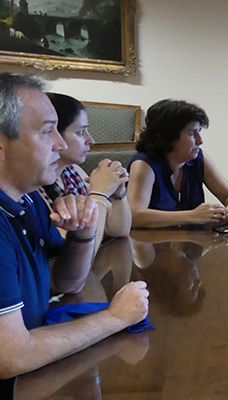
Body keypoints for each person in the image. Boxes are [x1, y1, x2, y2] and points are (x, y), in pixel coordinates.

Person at [0, 73, 149, 390]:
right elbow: (11, 356)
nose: (61, 143)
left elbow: (68, 281)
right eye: (46, 132)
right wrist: (115, 317)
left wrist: (81, 232)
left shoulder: (28, 200)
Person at [37, 93, 131, 252]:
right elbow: (84, 250)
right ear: (53, 134)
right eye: (81, 132)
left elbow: (119, 230)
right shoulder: (35, 184)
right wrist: (99, 193)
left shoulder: (73, 172)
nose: (91, 141)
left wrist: (118, 193)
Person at [127, 99, 228, 228]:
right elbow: (134, 216)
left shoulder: (198, 158)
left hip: (189, 243)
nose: (200, 140)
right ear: (169, 137)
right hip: (150, 244)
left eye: (199, 132)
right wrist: (192, 216)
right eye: (192, 133)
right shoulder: (143, 165)